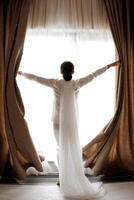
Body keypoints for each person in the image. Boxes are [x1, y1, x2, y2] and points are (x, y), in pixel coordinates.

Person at [18, 60, 120, 199]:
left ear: (61, 71)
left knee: (60, 148)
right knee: (72, 148)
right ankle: (70, 176)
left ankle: (62, 178)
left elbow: (36, 78)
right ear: (73, 71)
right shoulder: (76, 83)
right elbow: (94, 75)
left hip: (57, 122)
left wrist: (21, 73)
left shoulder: (55, 83)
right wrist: (109, 66)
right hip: (72, 123)